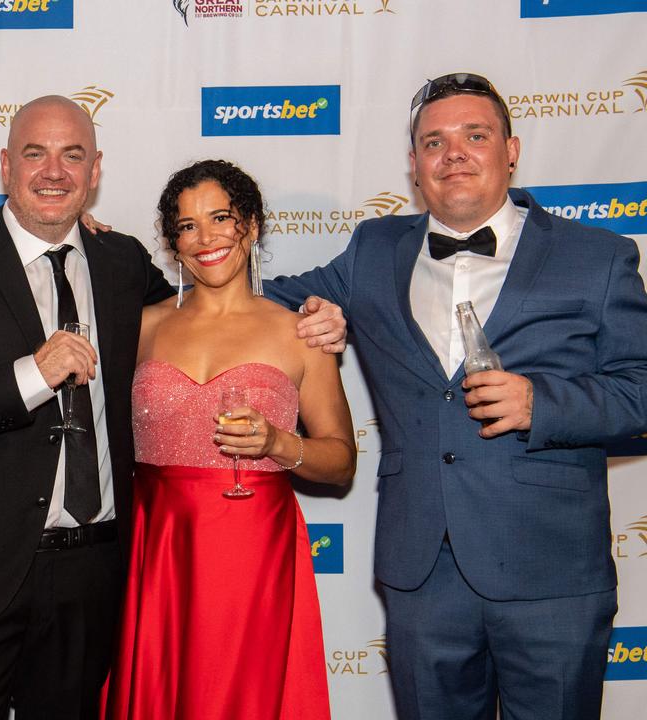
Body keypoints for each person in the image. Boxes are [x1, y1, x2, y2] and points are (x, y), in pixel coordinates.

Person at [0, 96, 346, 719]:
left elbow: (220, 301)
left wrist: (320, 315)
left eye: (72, 155)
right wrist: (32, 374)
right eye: (35, 153)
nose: (54, 171)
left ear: (95, 171)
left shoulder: (120, 262)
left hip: (100, 572)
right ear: (5, 165)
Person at [264, 72, 647, 719]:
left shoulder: (598, 256)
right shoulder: (373, 250)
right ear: (414, 165)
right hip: (423, 574)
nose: (455, 154)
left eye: (475, 135)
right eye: (434, 143)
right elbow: (249, 306)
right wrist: (120, 269)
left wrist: (542, 404)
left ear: (511, 148)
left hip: (550, 574)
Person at [103, 159, 355, 719]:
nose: (206, 238)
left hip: (253, 554)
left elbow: (341, 461)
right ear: (172, 244)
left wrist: (279, 445)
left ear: (253, 224)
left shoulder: (300, 330)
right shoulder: (139, 326)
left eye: (221, 218)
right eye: (188, 226)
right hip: (156, 547)